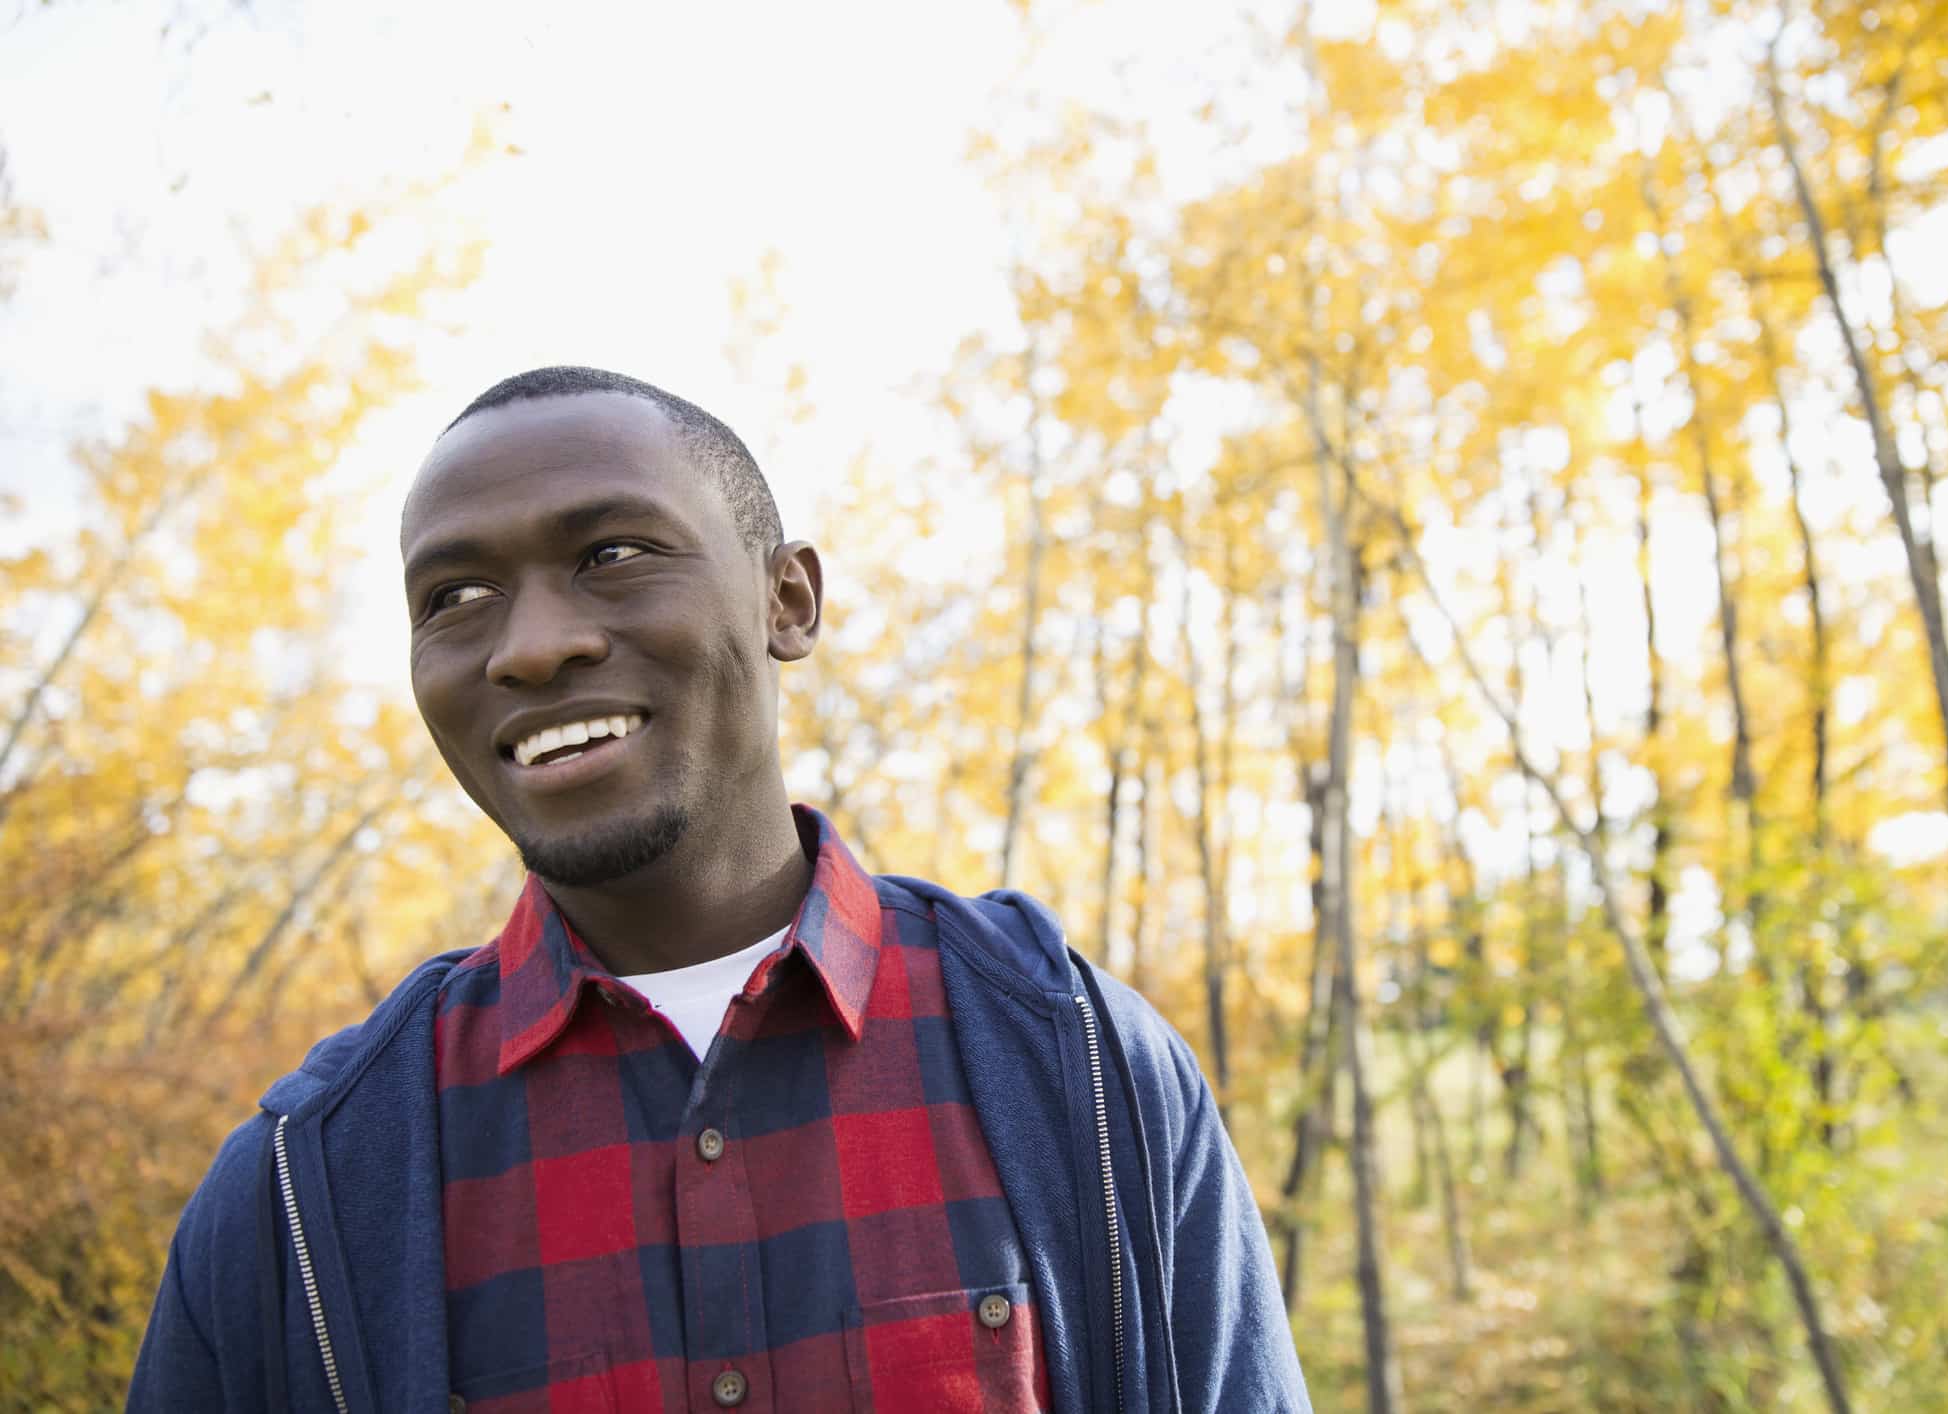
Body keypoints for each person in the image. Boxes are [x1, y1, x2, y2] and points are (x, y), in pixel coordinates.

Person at [128, 367, 1309, 1413]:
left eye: (612, 555)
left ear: (788, 599)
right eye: (454, 597)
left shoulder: (1083, 1076)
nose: (529, 646)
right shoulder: (305, 1192)